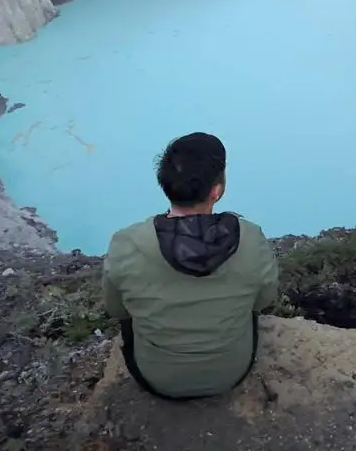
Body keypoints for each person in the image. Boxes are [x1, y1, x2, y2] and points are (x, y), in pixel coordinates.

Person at [102, 132, 279, 400]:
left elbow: (116, 309)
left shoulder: (126, 243)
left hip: (156, 378)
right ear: (216, 191)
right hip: (230, 373)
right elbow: (264, 300)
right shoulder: (250, 238)